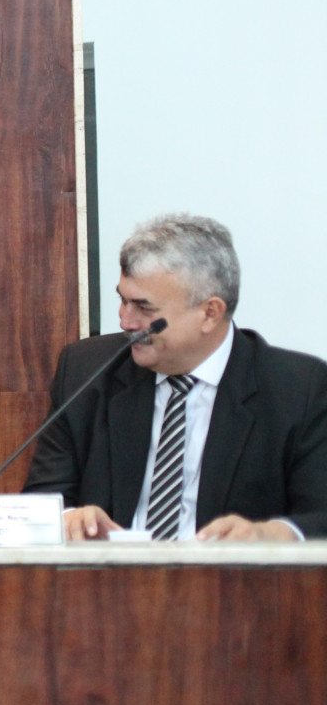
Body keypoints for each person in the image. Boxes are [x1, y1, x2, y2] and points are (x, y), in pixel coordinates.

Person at [25, 214, 327, 541]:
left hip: (232, 585)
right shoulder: (87, 370)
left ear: (210, 313)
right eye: (123, 299)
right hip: (109, 583)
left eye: (144, 307)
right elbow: (43, 500)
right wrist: (70, 519)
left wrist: (269, 535)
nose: (125, 321)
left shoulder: (298, 388)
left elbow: (320, 515)